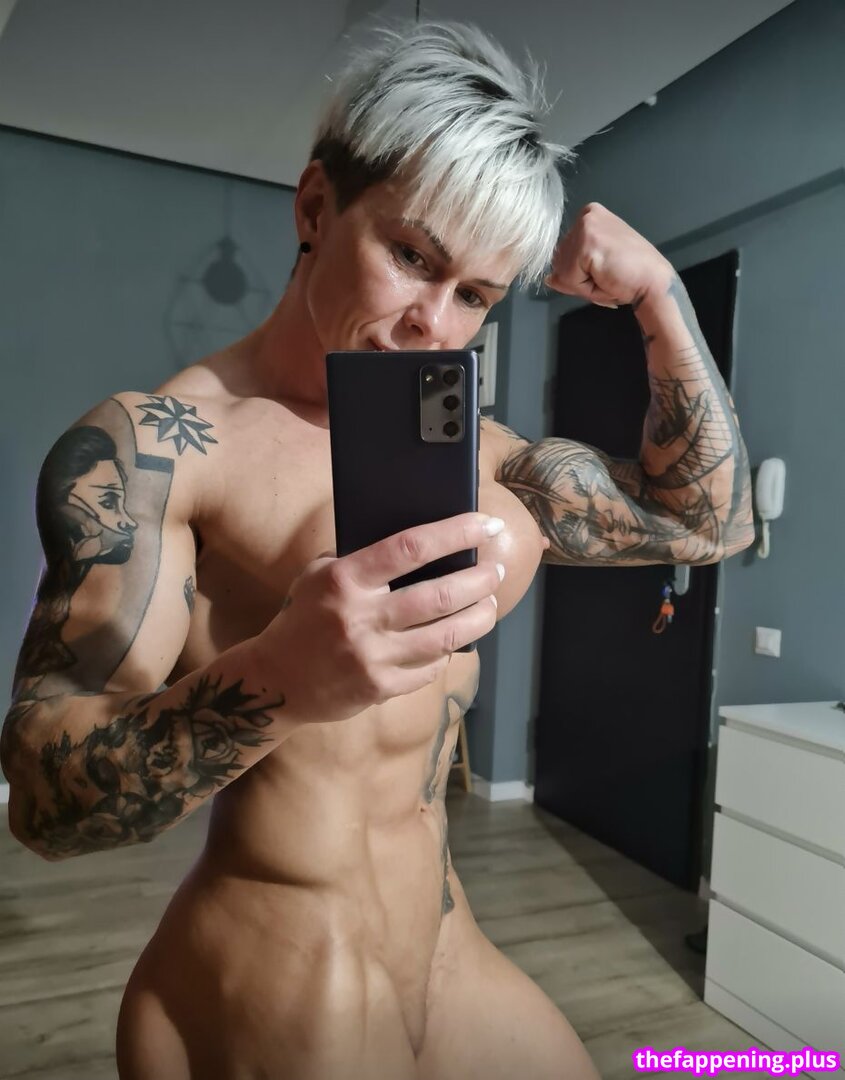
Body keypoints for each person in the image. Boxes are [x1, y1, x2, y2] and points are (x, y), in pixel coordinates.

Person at [0, 20, 754, 1080]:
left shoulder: (485, 455)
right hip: (280, 962)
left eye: (475, 296)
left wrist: (656, 297)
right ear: (315, 208)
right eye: (410, 258)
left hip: (443, 940)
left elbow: (705, 522)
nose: (432, 324)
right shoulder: (164, 449)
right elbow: (44, 804)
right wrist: (280, 678)